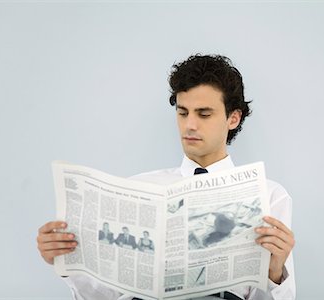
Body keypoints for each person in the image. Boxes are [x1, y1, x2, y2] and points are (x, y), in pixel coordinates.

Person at [36, 54, 296, 299]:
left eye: (204, 114)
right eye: (183, 112)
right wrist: (66, 260)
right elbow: (103, 296)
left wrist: (274, 272)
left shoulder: (268, 196)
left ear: (233, 118)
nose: (190, 125)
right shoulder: (136, 188)